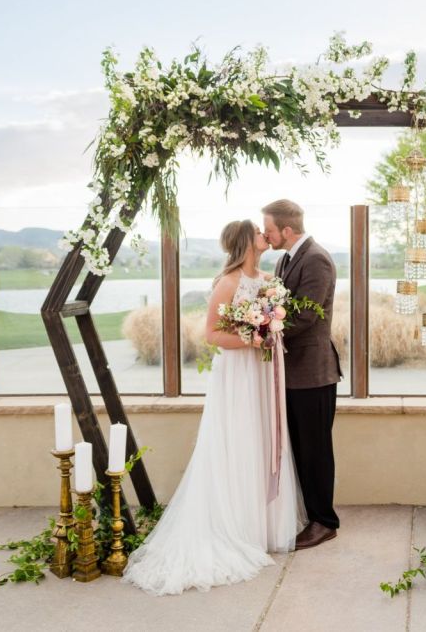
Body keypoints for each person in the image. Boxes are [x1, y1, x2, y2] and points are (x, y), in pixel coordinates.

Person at [122, 219, 307, 596]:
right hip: (239, 374)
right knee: (239, 438)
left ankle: (261, 526)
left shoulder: (268, 277)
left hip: (262, 373)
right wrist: (255, 339)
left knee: (261, 438)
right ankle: (235, 527)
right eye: (258, 231)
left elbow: (272, 322)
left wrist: (270, 328)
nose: (264, 234)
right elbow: (211, 335)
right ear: (247, 241)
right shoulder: (228, 282)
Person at [261, 199, 344, 550]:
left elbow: (306, 316)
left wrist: (262, 332)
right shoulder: (284, 259)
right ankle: (310, 514)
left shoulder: (317, 259)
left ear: (287, 229)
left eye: (268, 229)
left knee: (316, 449)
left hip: (314, 373)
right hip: (292, 373)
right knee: (299, 448)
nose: (265, 235)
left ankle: (325, 522)